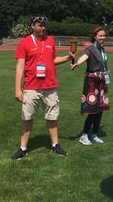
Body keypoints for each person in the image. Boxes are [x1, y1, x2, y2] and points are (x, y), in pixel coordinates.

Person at [11, 16, 75, 160]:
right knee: (27, 118)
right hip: (31, 87)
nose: (43, 28)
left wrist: (67, 58)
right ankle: (22, 148)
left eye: (44, 25)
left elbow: (53, 60)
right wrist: (17, 89)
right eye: (40, 25)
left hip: (50, 86)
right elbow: (20, 67)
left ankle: (55, 145)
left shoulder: (50, 41)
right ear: (32, 26)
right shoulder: (24, 42)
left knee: (52, 117)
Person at [70, 27, 110, 145]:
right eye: (100, 36)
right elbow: (84, 57)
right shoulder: (91, 49)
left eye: (104, 36)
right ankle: (84, 135)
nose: (102, 38)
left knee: (100, 109)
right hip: (92, 83)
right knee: (92, 110)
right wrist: (76, 64)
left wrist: (107, 71)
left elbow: (103, 63)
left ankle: (95, 134)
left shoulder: (102, 49)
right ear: (95, 36)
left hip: (101, 82)